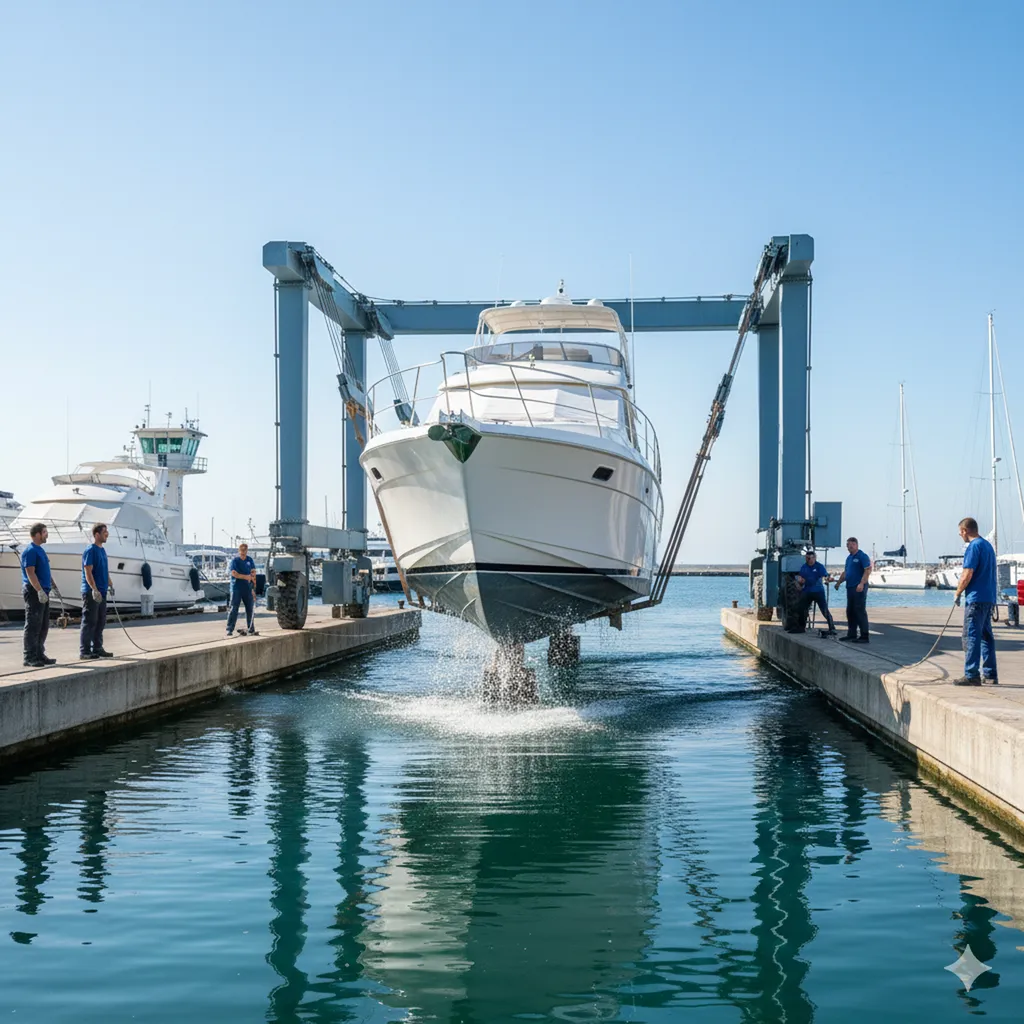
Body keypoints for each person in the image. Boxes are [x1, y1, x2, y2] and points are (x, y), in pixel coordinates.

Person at [953, 516, 998, 686]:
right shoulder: (987, 546)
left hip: (976, 599)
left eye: (960, 533)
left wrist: (958, 592)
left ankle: (971, 673)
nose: (960, 535)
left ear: (965, 530)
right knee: (986, 636)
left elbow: (967, 573)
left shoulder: (973, 547)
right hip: (988, 597)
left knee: (971, 635)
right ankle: (991, 674)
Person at [20, 523, 55, 668]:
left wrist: (52, 585)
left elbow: (45, 570)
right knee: (33, 624)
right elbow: (30, 572)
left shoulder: (40, 550)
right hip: (34, 591)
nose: (47, 535)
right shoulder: (30, 551)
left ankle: (39, 653)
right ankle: (29, 656)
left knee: (43, 624)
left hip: (44, 590)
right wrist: (39, 590)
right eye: (45, 532)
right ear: (38, 534)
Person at [81, 523, 114, 660]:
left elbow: (104, 570)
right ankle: (85, 651)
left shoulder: (102, 550)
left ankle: (98, 648)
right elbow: (88, 571)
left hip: (102, 591)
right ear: (96, 535)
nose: (107, 534)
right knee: (90, 621)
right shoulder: (91, 550)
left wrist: (110, 584)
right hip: (92, 592)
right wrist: (94, 589)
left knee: (101, 621)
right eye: (104, 532)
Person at [834, 537, 872, 642]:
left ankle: (864, 636)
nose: (850, 547)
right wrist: (838, 582)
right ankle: (852, 633)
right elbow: (846, 572)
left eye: (852, 545)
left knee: (859, 610)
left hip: (859, 587)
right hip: (850, 587)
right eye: (848, 545)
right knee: (850, 611)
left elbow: (867, 570)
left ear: (856, 545)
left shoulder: (862, 556)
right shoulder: (849, 558)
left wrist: (862, 583)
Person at [795, 549, 836, 634]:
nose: (808, 560)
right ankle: (801, 628)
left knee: (824, 610)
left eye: (809, 558)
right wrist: (799, 582)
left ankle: (832, 628)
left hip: (818, 591)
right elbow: (800, 578)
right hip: (807, 591)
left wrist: (828, 579)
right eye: (806, 558)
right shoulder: (804, 567)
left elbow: (825, 576)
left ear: (814, 558)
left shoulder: (819, 566)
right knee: (802, 609)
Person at [226, 542, 258, 637]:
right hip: (236, 588)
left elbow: (253, 573)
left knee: (250, 609)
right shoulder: (235, 561)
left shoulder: (250, 560)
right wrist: (246, 577)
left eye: (245, 550)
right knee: (234, 609)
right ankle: (229, 629)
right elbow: (234, 574)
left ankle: (251, 628)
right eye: (242, 550)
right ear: (239, 551)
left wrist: (253, 588)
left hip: (247, 589)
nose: (243, 552)